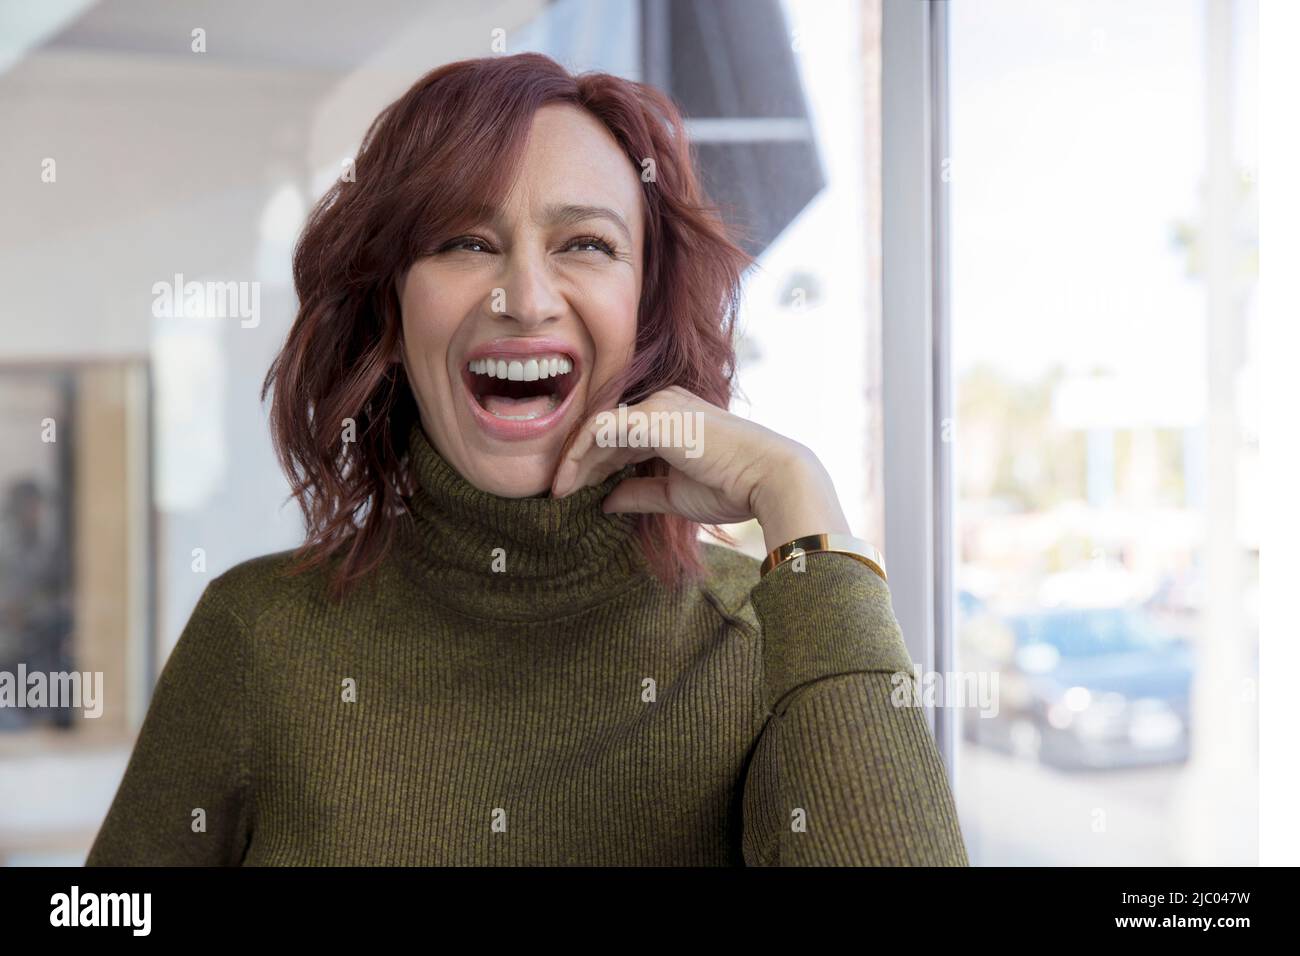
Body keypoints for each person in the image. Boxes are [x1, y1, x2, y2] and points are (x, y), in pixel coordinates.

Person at [86, 52, 968, 866]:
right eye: (464, 243)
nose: (525, 298)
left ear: (644, 314)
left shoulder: (762, 643)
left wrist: (795, 493)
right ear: (391, 315)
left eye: (586, 244)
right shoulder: (255, 636)